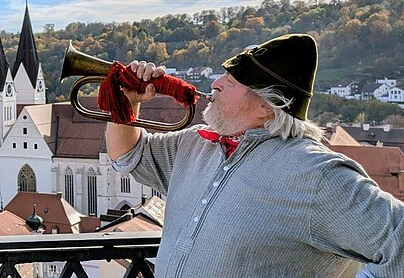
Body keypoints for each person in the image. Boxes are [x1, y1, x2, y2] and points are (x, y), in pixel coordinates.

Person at [105, 34, 404, 278]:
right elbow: (129, 154)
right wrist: (127, 103)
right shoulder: (195, 145)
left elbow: (399, 242)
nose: (215, 84)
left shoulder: (316, 174)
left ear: (266, 107)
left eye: (231, 82)